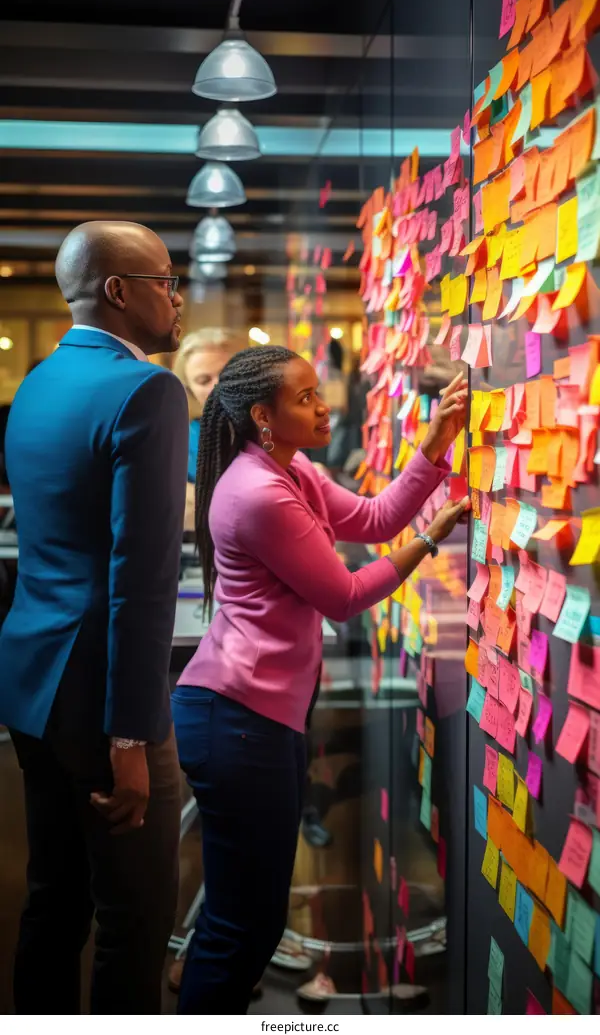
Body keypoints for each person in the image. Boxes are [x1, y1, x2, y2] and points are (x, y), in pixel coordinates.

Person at [171, 347, 469, 1014]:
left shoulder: (290, 468)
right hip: (235, 721)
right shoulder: (258, 492)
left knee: (242, 922)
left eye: (318, 390)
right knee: (240, 931)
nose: (323, 404)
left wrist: (433, 444)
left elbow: (373, 519)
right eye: (305, 397)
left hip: (251, 718)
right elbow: (343, 594)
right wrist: (432, 538)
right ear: (262, 416)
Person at [0, 220, 189, 1015]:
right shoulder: (147, 389)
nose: (175, 296)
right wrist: (131, 737)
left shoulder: (39, 380)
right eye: (165, 278)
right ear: (119, 290)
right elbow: (140, 579)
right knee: (135, 926)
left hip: (32, 681)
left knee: (54, 902)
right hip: (104, 700)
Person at [173, 328, 245, 533]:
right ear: (189, 389)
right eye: (204, 381)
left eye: (226, 374)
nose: (218, 386)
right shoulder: (181, 439)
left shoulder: (273, 428)